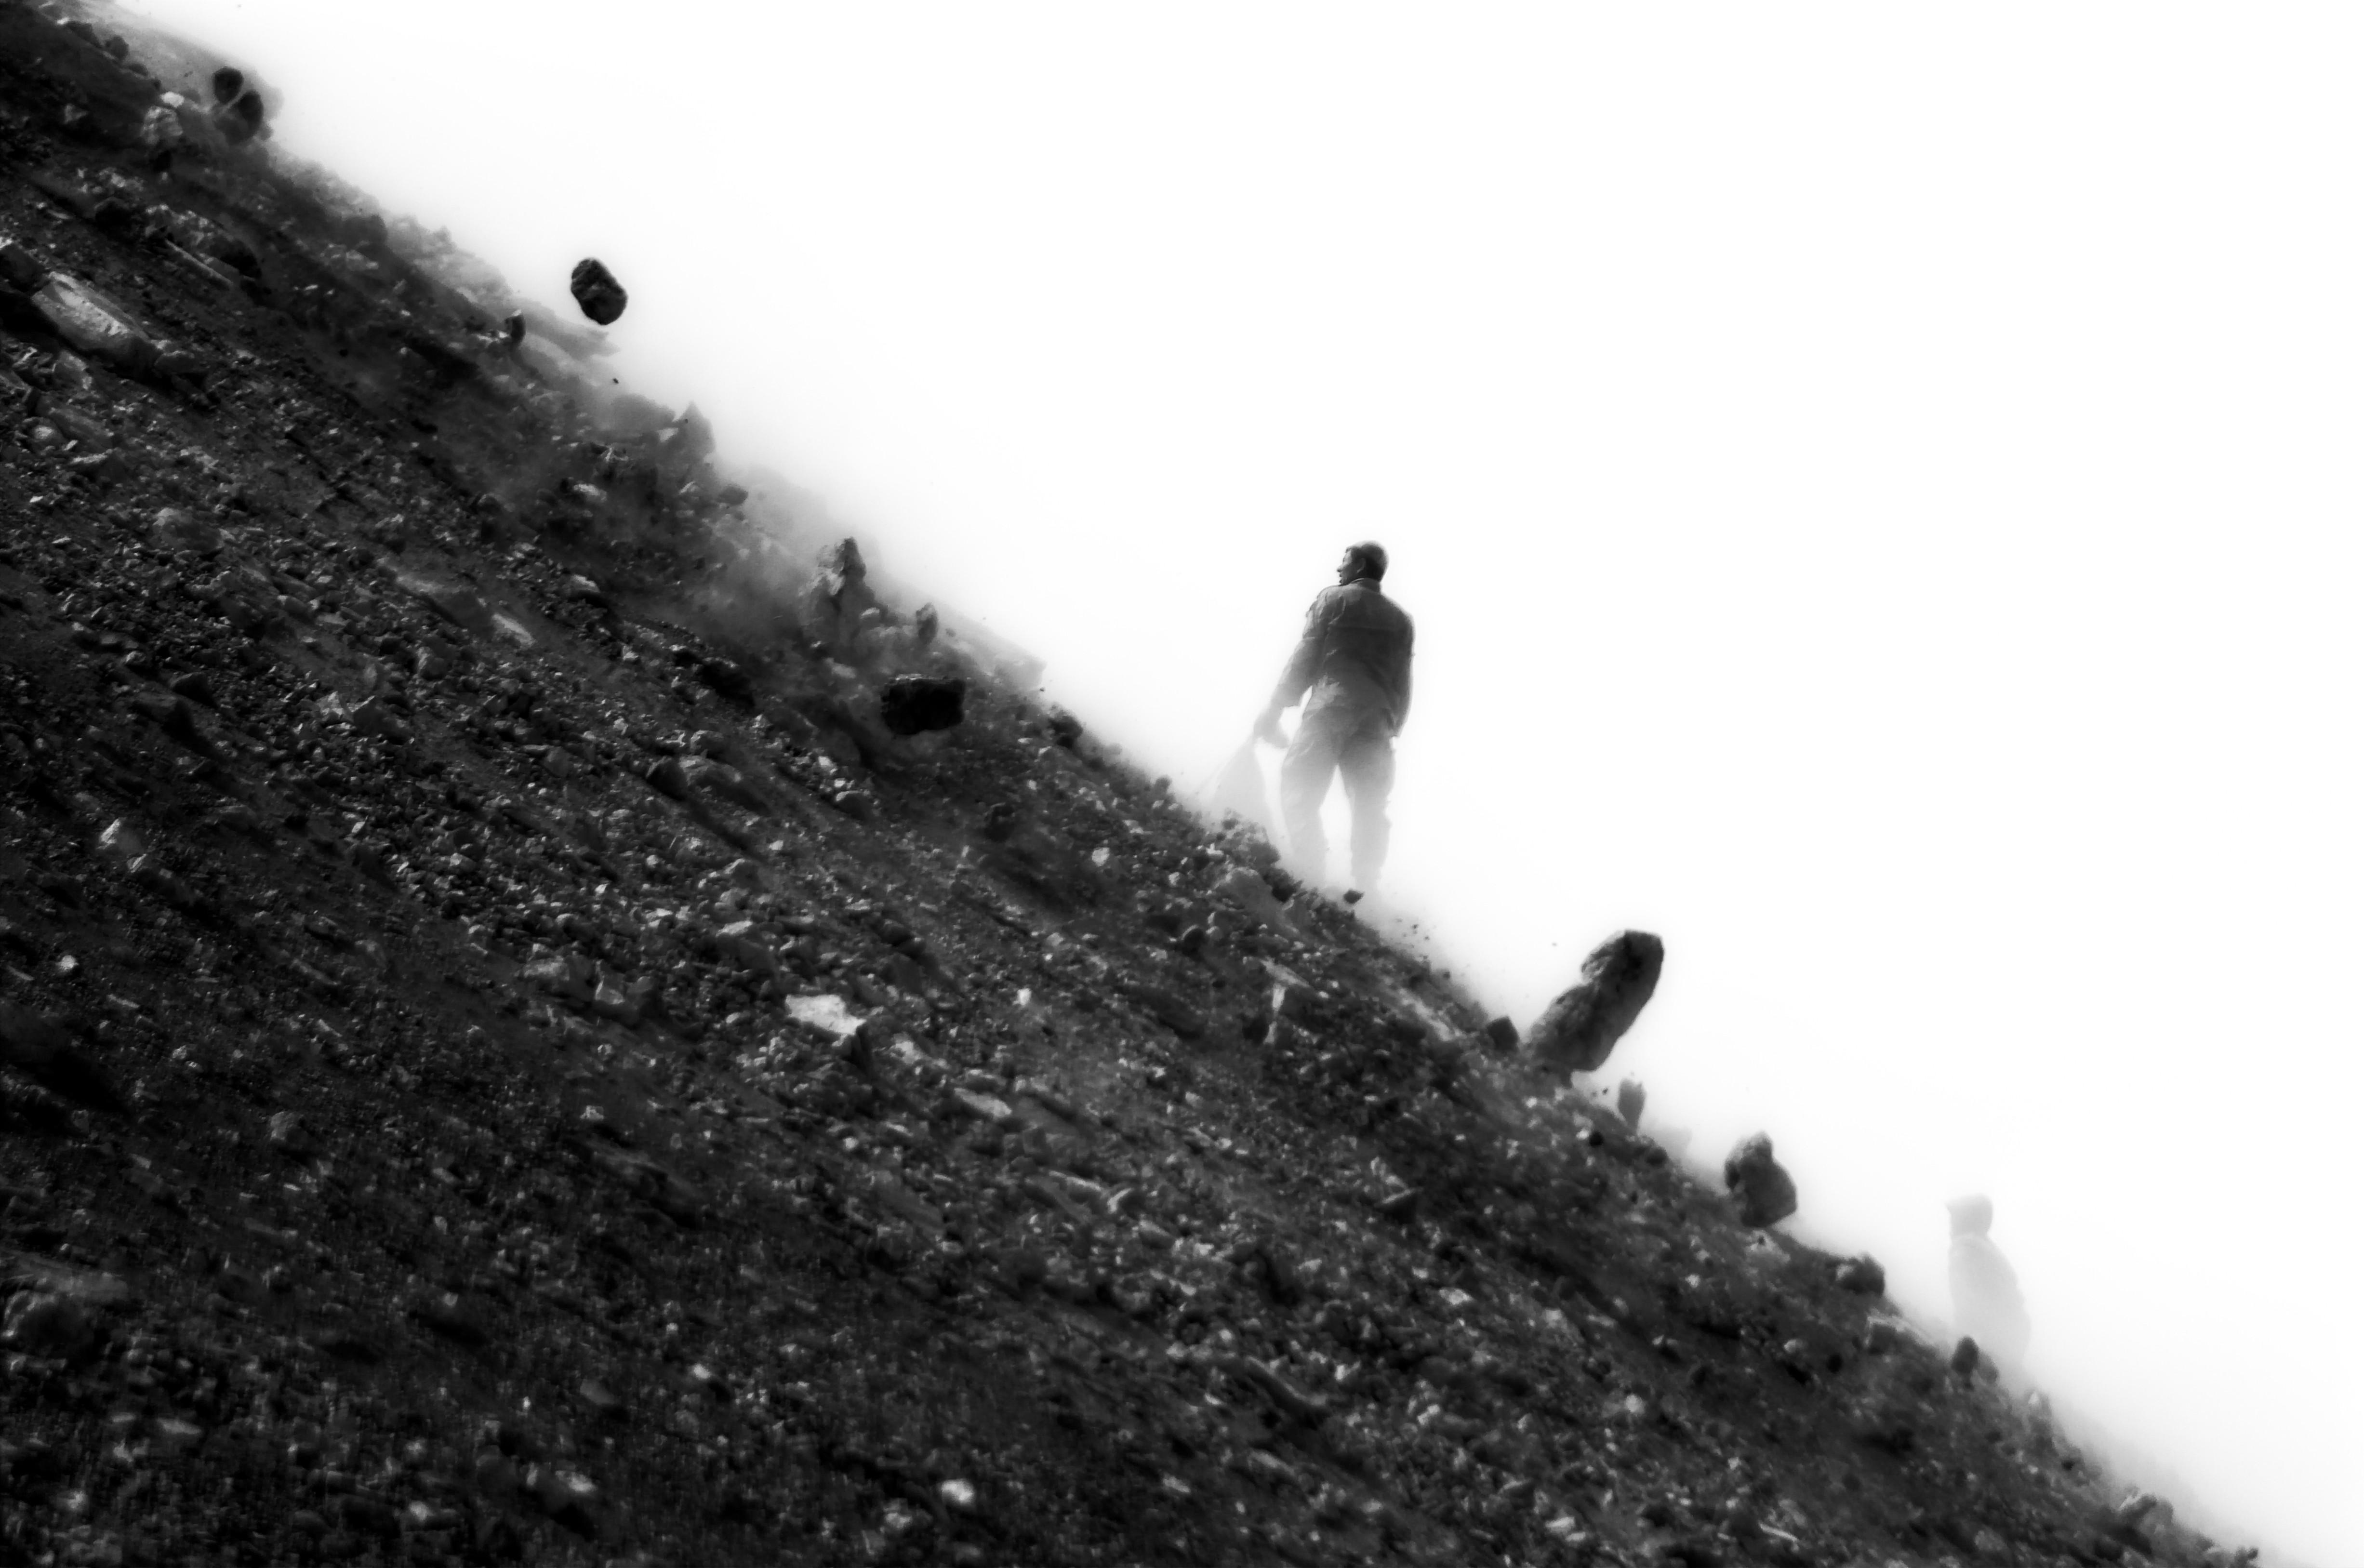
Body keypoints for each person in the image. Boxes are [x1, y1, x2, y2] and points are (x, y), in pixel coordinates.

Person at [1255, 542, 1413, 894]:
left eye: (1344, 562)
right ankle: (1367, 883)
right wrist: (1394, 724)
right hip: (1377, 721)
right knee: (1369, 801)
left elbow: (1305, 656)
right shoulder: (1401, 621)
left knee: (1301, 783)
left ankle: (1312, 872)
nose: (1339, 569)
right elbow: (1403, 679)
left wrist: (1275, 708)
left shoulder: (1333, 599)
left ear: (1360, 566)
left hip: (1331, 708)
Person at [1947, 1195, 2031, 1374]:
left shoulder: (1965, 1251)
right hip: (2013, 1330)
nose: (1951, 1223)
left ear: (1966, 1221)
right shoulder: (1985, 1248)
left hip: (1999, 1335)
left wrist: (1955, 1339)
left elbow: (1966, 1303)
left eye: (1955, 1217)